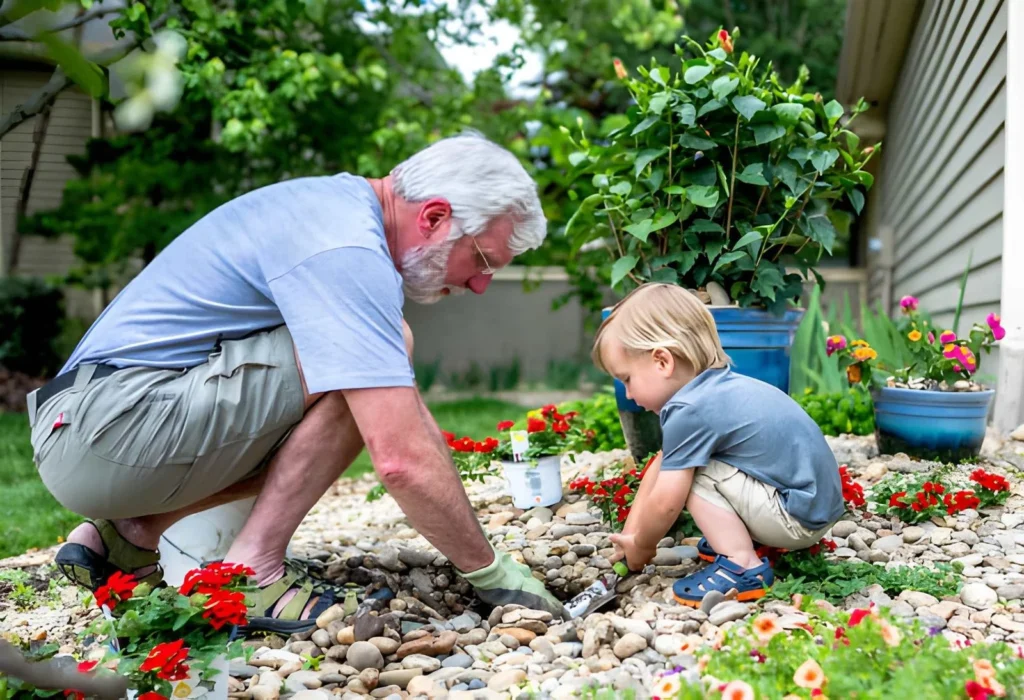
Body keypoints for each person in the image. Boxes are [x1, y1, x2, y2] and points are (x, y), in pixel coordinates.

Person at [26, 132, 566, 632]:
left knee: (370, 370)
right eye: (483, 259)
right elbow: (401, 460)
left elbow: (405, 414)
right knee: (376, 357)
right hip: (106, 428)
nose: (478, 284)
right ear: (434, 216)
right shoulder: (346, 249)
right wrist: (491, 573)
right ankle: (254, 572)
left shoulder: (333, 211)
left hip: (93, 427)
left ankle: (128, 539)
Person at [590, 283, 843, 606]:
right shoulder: (713, 390)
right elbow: (661, 464)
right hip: (811, 506)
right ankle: (741, 540)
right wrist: (631, 536)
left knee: (693, 473)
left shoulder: (688, 410)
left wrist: (644, 544)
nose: (627, 394)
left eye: (627, 379)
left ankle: (742, 564)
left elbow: (666, 502)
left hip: (795, 520)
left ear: (662, 362)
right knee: (677, 464)